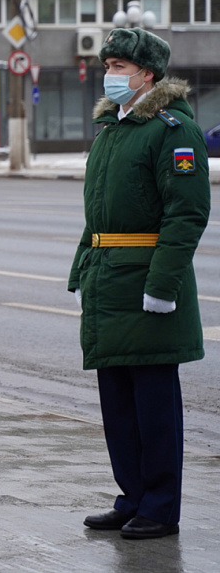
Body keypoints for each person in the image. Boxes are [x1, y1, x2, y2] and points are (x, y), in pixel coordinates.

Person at [69, 28, 210, 540]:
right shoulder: (113, 129)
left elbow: (187, 214)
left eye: (120, 67)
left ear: (147, 74)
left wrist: (163, 285)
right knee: (118, 403)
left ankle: (160, 506)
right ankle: (131, 496)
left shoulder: (171, 130)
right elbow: (97, 214)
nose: (110, 76)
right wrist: (83, 267)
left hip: (147, 282)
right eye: (108, 65)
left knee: (153, 405)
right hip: (110, 281)